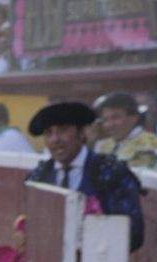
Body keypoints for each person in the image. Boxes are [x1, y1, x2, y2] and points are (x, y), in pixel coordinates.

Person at [26, 101, 145, 251]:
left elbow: (133, 233)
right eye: (49, 133)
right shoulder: (38, 177)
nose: (55, 139)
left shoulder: (111, 173)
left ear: (82, 133)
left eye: (63, 130)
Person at [92, 92, 157, 169]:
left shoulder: (149, 145)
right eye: (105, 119)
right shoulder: (105, 145)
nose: (109, 124)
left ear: (134, 117)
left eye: (115, 117)